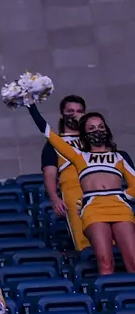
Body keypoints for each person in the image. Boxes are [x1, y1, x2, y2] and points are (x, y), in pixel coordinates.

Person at [23, 104, 135, 275]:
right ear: (84, 133)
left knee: (133, 261)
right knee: (105, 262)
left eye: (101, 127)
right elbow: (49, 134)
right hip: (94, 210)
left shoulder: (121, 156)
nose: (97, 131)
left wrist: (122, 196)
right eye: (91, 128)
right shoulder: (79, 156)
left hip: (120, 208)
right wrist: (31, 106)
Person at [41, 94, 90, 253]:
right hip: (74, 197)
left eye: (79, 111)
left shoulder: (95, 139)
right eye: (70, 111)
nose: (75, 114)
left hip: (100, 193)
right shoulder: (54, 143)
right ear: (62, 114)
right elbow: (49, 174)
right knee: (85, 243)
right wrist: (55, 198)